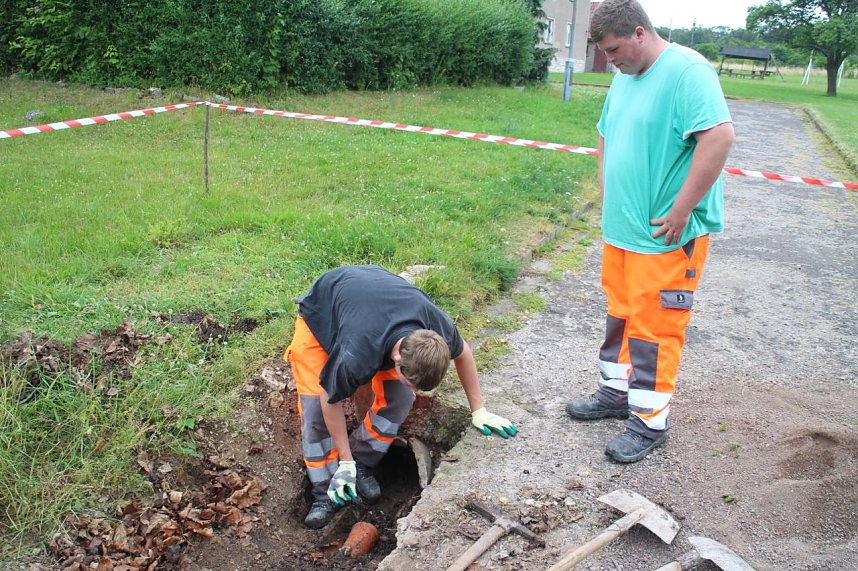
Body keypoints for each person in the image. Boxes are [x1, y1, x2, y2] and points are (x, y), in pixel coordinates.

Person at [565, 0, 734, 463]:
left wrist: (682, 209)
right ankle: (615, 393)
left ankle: (649, 422)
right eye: (604, 52)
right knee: (621, 315)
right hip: (623, 231)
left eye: (615, 49)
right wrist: (606, 187)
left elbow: (718, 137)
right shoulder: (624, 76)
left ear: (640, 33)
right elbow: (605, 131)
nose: (611, 60)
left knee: (655, 329)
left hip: (667, 236)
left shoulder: (687, 73)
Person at [284, 264, 518, 528]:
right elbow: (330, 400)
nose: (416, 391)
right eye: (413, 382)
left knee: (401, 397)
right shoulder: (357, 353)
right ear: (397, 358)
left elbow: (463, 353)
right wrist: (343, 461)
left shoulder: (435, 328)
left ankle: (362, 461)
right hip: (323, 312)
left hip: (374, 300)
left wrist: (479, 410)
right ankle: (326, 491)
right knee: (315, 409)